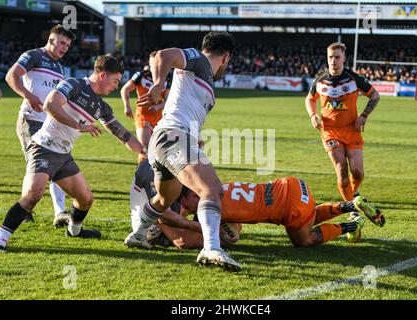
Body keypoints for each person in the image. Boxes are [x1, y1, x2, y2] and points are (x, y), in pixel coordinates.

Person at [0, 55, 147, 253]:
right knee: (33, 194)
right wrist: (78, 125)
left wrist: (146, 152)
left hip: (64, 156)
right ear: (102, 75)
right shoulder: (74, 85)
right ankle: (0, 240)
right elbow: (51, 105)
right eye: (115, 81)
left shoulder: (102, 106)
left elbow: (123, 134)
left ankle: (74, 231)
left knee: (85, 200)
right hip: (43, 148)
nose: (116, 87)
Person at [125, 31, 241, 272]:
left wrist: (194, 137)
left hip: (168, 139)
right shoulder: (200, 59)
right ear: (226, 57)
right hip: (172, 137)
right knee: (212, 190)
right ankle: (211, 248)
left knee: (165, 198)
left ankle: (137, 234)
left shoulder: (204, 76)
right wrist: (158, 84)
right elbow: (163, 55)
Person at [128, 164, 385, 250]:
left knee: (304, 240)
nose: (187, 208)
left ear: (193, 194)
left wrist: (164, 224)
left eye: (185, 203)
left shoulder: (210, 206)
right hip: (292, 185)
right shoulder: (218, 185)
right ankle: (349, 203)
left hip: (287, 205)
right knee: (310, 215)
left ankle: (351, 223)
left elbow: (193, 239)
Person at [5, 24, 75, 226]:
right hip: (31, 120)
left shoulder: (60, 67)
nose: (64, 48)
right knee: (39, 166)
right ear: (51, 40)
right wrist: (28, 95)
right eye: (62, 43)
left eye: (68, 45)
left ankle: (59, 212)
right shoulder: (34, 55)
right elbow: (12, 75)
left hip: (50, 124)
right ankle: (27, 209)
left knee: (55, 163)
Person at [305, 42, 381, 201]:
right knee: (341, 171)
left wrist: (364, 116)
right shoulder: (320, 80)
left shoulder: (354, 79)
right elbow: (310, 99)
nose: (333, 61)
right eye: (330, 57)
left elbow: (375, 95)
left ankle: (354, 193)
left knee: (358, 173)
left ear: (344, 58)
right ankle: (351, 207)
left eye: (337, 57)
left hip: (352, 129)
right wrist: (313, 115)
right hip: (330, 131)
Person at [120, 52, 172, 163]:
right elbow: (125, 89)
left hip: (159, 118)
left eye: (157, 61)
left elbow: (169, 100)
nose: (155, 64)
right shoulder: (141, 75)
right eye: (153, 61)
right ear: (149, 62)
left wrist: (158, 106)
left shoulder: (167, 78)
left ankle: (151, 175)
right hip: (142, 115)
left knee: (157, 150)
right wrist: (127, 106)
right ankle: (141, 174)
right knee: (145, 146)